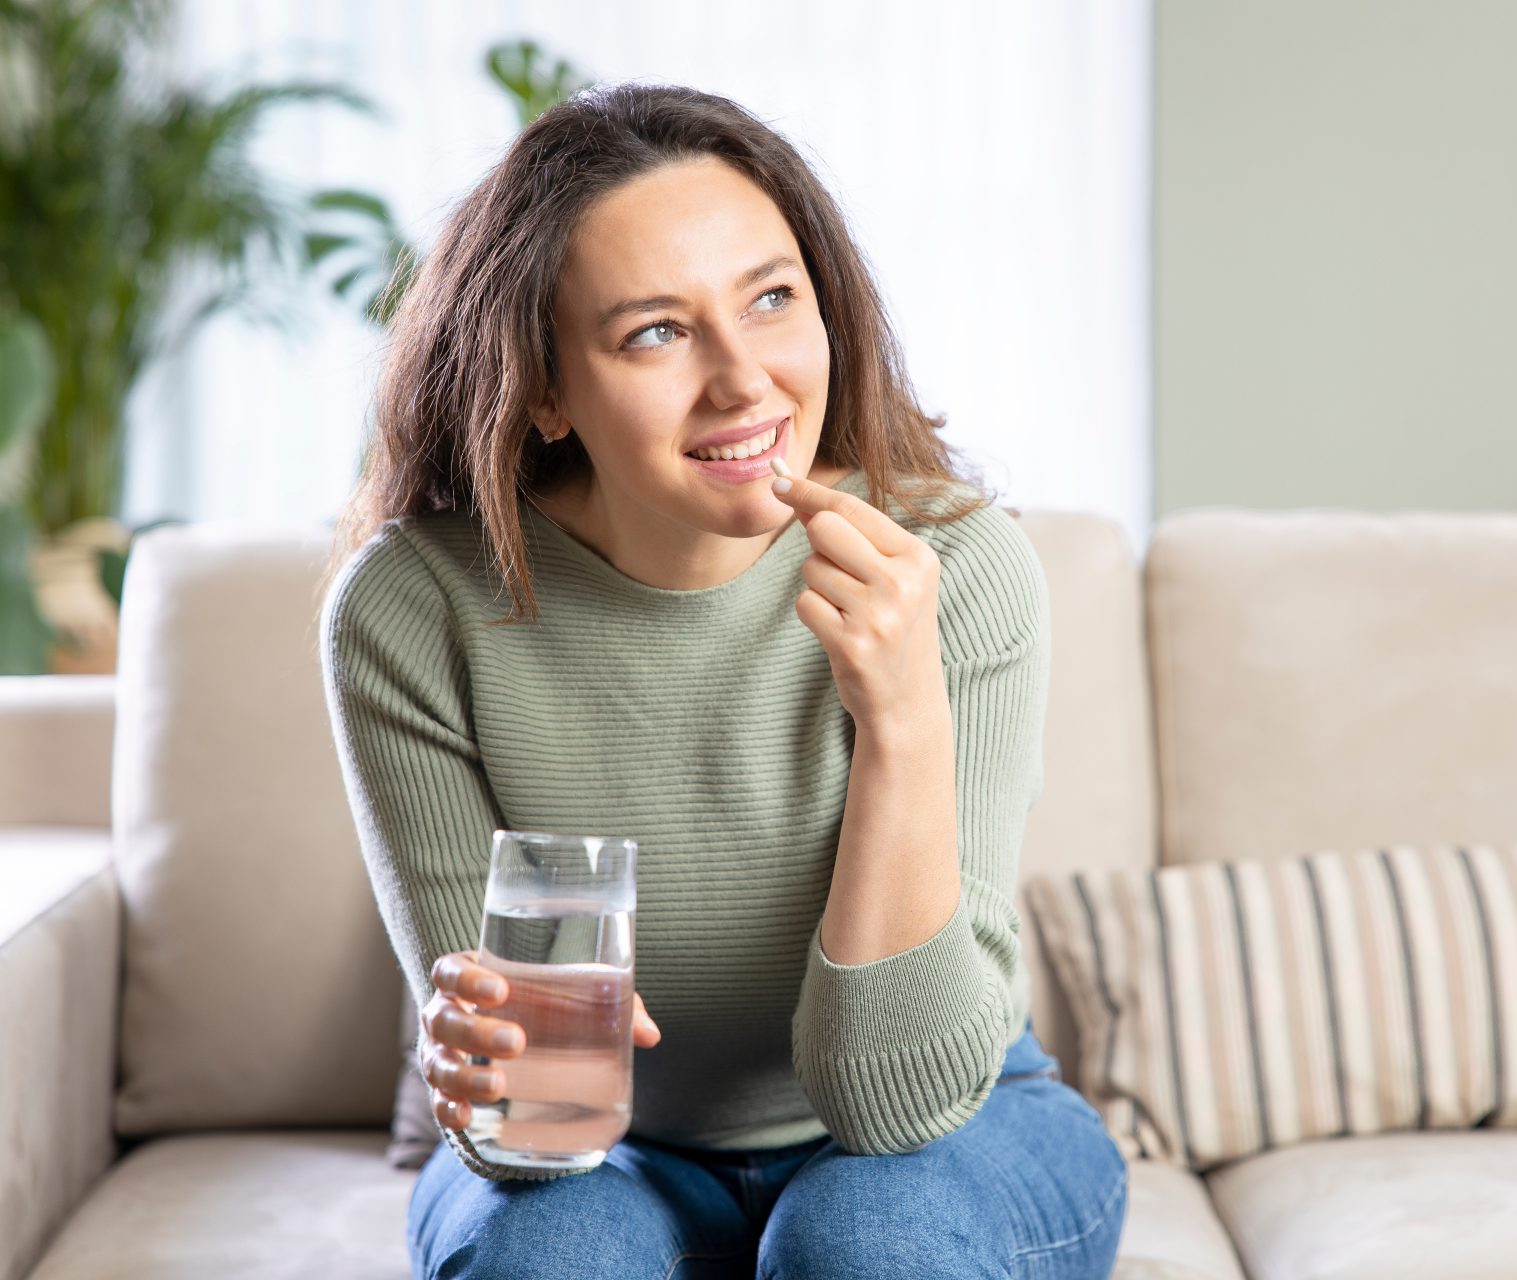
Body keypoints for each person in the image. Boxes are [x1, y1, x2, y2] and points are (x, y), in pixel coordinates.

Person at [317, 81, 1127, 1279]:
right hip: (617, 1151)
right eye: (657, 331)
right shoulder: (415, 608)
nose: (745, 380)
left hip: (961, 1118)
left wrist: (902, 714)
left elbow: (897, 1107)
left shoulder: (951, 567)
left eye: (771, 299)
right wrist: (489, 1074)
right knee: (550, 1258)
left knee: (866, 1239)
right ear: (545, 389)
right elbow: (529, 1131)